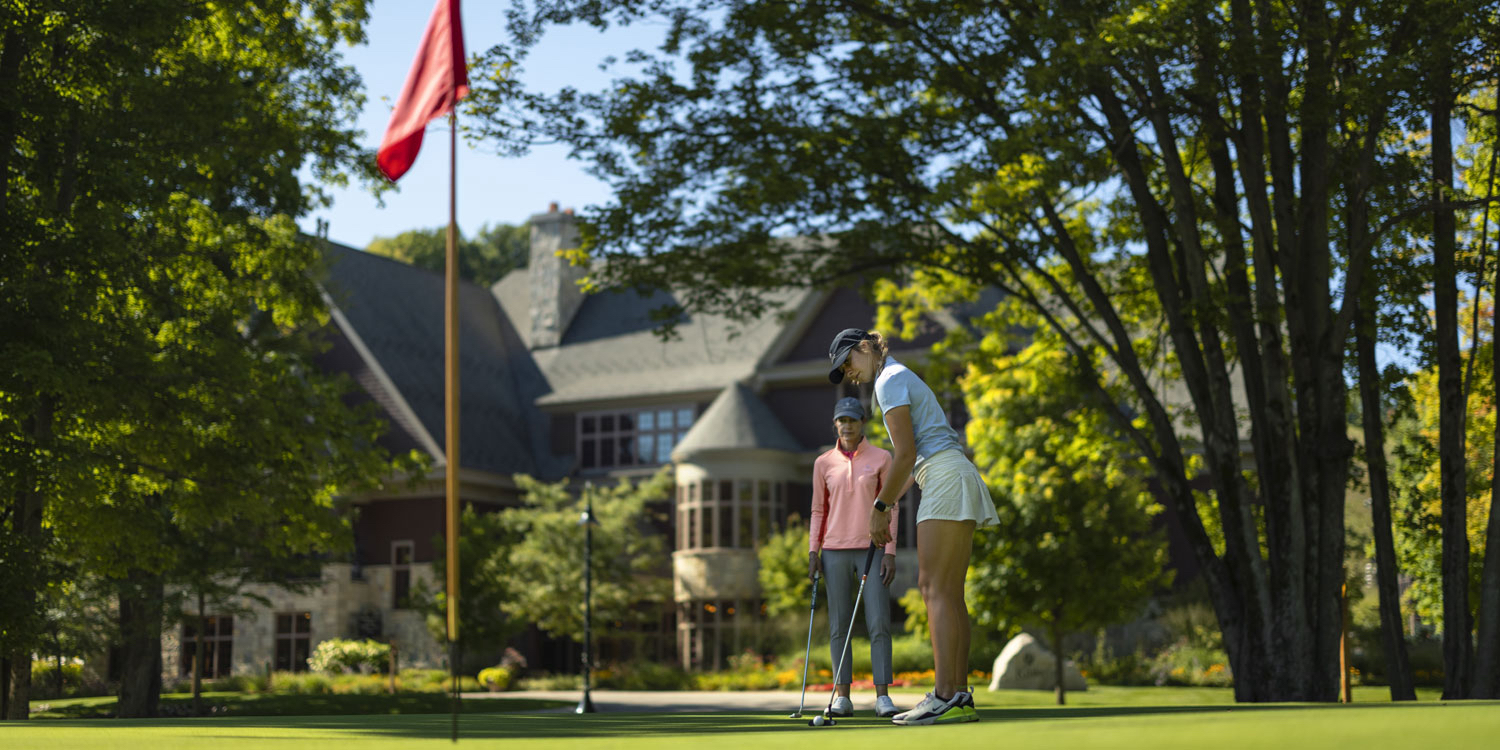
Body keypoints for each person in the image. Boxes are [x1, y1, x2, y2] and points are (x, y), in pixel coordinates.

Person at [828, 328, 999, 726]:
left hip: (942, 478)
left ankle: (941, 695)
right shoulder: (898, 376)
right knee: (950, 593)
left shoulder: (888, 381)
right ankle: (957, 693)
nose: (850, 373)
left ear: (865, 348)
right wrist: (886, 507)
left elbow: (904, 455)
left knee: (933, 588)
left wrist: (880, 506)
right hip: (950, 475)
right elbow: (912, 459)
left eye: (848, 362)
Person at [809, 396, 907, 719]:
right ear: (835, 424)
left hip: (872, 548)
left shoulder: (881, 458)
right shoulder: (823, 463)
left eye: (852, 420)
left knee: (879, 621)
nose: (847, 426)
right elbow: (818, 510)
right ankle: (842, 697)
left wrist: (889, 551)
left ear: (862, 422)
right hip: (834, 550)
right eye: (842, 421)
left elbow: (890, 505)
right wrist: (813, 550)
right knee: (839, 626)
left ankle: (882, 696)